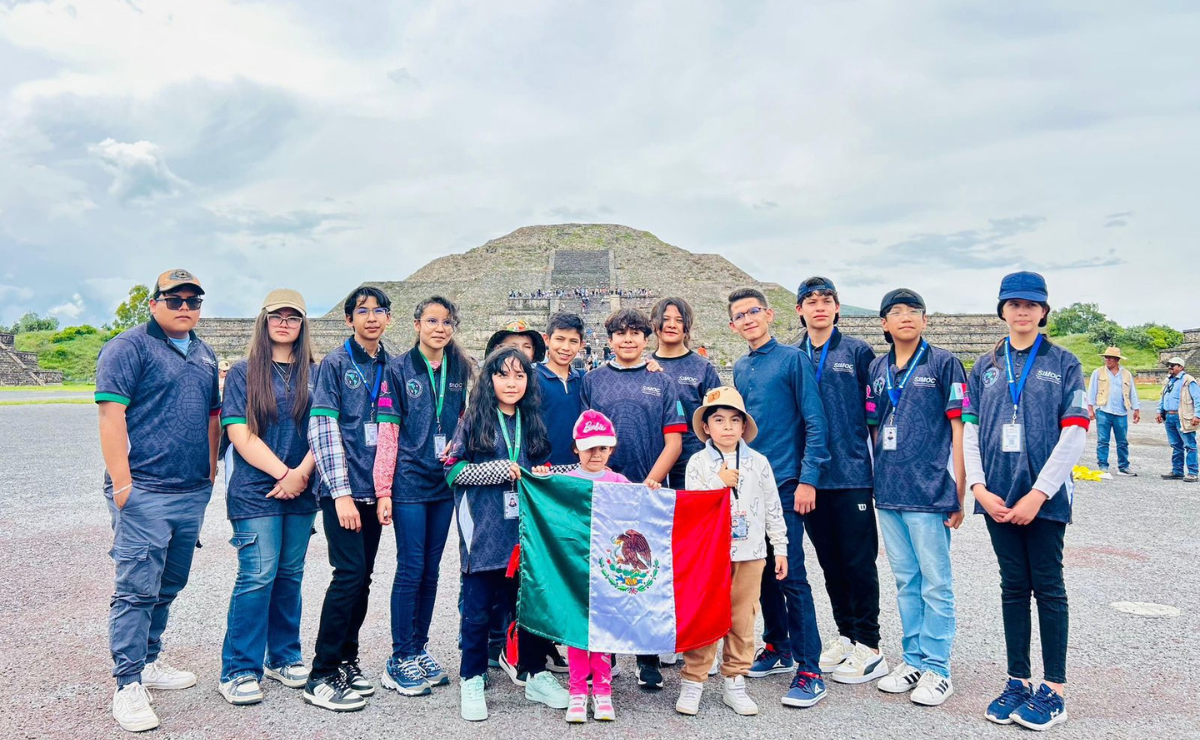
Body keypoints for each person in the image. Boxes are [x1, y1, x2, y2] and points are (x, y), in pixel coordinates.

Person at [95, 269, 220, 733]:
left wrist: (209, 473)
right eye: (174, 298)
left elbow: (212, 418)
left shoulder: (204, 353)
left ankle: (148, 660)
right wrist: (123, 484)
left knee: (170, 582)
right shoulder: (128, 347)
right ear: (154, 303)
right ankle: (127, 683)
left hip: (189, 489)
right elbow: (111, 414)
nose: (184, 306)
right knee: (136, 587)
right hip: (144, 489)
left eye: (193, 299)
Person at [964, 271, 1088, 731]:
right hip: (997, 496)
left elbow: (1074, 433)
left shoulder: (1065, 362)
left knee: (1049, 588)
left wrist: (1039, 493)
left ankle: (1053, 690)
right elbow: (971, 432)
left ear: (1043, 311)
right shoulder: (985, 365)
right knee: (1013, 587)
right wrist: (978, 488)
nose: (1022, 311)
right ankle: (1017, 680)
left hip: (1045, 498)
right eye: (1013, 303)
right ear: (1002, 309)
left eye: (1031, 304)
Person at [444, 347, 571, 721]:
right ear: (490, 379)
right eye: (503, 375)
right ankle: (472, 675)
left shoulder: (532, 419)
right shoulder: (474, 419)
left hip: (525, 530)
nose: (511, 383)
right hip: (484, 530)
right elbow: (452, 471)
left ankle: (533, 673)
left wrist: (567, 471)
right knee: (479, 608)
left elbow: (540, 466)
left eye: (519, 375)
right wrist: (498, 470)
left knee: (528, 606)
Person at [726, 288, 830, 709]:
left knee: (792, 575)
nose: (748, 319)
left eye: (754, 311)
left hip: (786, 483)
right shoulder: (740, 367)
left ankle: (810, 669)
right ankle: (778, 646)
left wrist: (809, 479)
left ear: (768, 314)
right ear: (733, 326)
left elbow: (815, 421)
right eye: (739, 315)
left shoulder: (793, 359)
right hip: (748, 487)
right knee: (759, 571)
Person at [865, 288, 966, 708]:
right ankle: (912, 658)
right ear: (885, 324)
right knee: (907, 581)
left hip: (930, 491)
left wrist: (960, 490)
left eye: (913, 311)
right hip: (889, 491)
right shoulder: (876, 367)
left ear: (925, 320)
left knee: (936, 584)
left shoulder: (944, 363)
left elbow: (960, 427)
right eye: (895, 312)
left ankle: (938, 668)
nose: (905, 317)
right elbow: (873, 427)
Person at [217, 289, 318, 705]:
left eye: (293, 317)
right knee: (257, 574)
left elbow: (326, 429)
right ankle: (239, 668)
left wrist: (302, 474)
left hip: (303, 485)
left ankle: (284, 655)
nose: (284, 323)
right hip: (256, 489)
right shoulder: (243, 372)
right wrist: (284, 473)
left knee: (289, 575)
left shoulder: (316, 371)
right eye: (277, 315)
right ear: (264, 320)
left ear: (302, 325)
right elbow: (240, 434)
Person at [580, 307, 686, 690]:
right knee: (604, 571)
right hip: (603, 492)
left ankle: (648, 657)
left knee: (645, 572)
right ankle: (602, 657)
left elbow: (674, 440)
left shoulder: (663, 382)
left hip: (647, 490)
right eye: (620, 333)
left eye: (636, 333)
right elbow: (583, 438)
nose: (628, 339)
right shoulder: (592, 381)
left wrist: (649, 483)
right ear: (609, 340)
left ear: (647, 338)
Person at [303, 286, 397, 712]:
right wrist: (340, 493)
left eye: (379, 311)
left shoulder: (392, 365)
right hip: (342, 490)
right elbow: (322, 430)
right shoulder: (335, 364)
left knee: (363, 579)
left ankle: (347, 660)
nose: (372, 318)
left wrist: (383, 492)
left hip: (372, 491)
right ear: (349, 320)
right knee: (348, 575)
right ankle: (320, 674)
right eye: (363, 311)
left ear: (389, 319)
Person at [373, 297, 471, 696]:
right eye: (432, 320)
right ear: (416, 325)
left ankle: (420, 647)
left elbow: (463, 421)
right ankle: (400, 656)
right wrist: (383, 490)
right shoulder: (398, 369)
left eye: (447, 321)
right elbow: (387, 433)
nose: (440, 328)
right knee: (411, 567)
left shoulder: (460, 367)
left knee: (431, 572)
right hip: (409, 482)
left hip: (443, 482)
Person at [792, 277, 885, 683]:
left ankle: (870, 643)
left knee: (858, 562)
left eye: (826, 301)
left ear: (837, 308)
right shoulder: (791, 354)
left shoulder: (857, 351)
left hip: (851, 473)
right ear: (799, 310)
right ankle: (846, 636)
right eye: (811, 301)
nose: (819, 307)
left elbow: (877, 410)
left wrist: (879, 467)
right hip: (810, 477)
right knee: (829, 562)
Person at [677, 387, 788, 717]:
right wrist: (718, 480)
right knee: (704, 615)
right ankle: (693, 681)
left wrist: (779, 547)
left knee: (743, 618)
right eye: (719, 420)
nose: (727, 426)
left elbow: (772, 508)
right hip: (709, 554)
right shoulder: (697, 463)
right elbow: (692, 505)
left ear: (743, 427)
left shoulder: (758, 462)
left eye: (734, 420)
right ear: (707, 428)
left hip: (750, 552)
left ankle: (735, 680)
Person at [563, 410, 626, 723]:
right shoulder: (567, 483)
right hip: (576, 571)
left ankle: (602, 690)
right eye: (589, 447)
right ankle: (577, 690)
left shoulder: (618, 481)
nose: (596, 453)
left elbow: (637, 512)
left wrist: (652, 492)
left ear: (611, 448)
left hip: (608, 572)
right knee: (578, 633)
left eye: (602, 447)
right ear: (576, 447)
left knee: (602, 633)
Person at [650, 297, 722, 489]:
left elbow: (718, 418)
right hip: (651, 467)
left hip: (694, 466)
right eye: (665, 319)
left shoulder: (703, 368)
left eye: (679, 320)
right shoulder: (644, 367)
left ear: (687, 327)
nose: (672, 325)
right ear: (654, 323)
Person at [538, 312, 588, 465]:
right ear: (546, 339)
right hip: (542, 469)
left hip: (579, 467)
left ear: (581, 345)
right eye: (560, 339)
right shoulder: (532, 378)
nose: (566, 348)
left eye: (573, 341)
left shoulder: (584, 379)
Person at [1086, 347, 1140, 476]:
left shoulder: (1126, 374)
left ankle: (1124, 466)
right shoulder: (1098, 372)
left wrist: (1136, 409)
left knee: (1122, 441)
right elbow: (1092, 391)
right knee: (1103, 440)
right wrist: (1090, 409)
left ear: (1117, 360)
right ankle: (1103, 465)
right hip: (1103, 410)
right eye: (1106, 357)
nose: (1107, 360)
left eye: (1110, 357)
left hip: (1121, 412)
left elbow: (1132, 392)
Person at [1157, 357, 1200, 482]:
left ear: (1181, 367)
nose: (1170, 367)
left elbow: (1198, 399)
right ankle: (1177, 471)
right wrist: (1159, 411)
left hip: (1183, 416)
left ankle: (1193, 472)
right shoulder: (1168, 381)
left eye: (1173, 365)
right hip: (1169, 416)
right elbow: (1163, 397)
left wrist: (1197, 415)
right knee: (1176, 445)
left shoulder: (1188, 381)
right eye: (1169, 365)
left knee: (1189, 445)